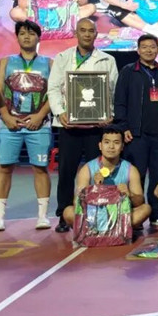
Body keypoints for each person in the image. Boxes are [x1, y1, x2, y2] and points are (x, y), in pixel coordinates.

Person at [47, 18, 119, 233]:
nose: (87, 34)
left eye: (91, 31)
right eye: (83, 30)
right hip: (69, 127)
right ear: (76, 33)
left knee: (100, 171)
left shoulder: (107, 60)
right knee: (66, 172)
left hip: (96, 129)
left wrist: (109, 115)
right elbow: (53, 88)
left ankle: (98, 212)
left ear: (96, 34)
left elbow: (113, 92)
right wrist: (60, 112)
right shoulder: (62, 58)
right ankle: (64, 214)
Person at [0, 20, 53, 231]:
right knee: (4, 168)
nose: (27, 37)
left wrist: (40, 116)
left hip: (40, 124)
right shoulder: (5, 62)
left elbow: (55, 92)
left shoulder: (49, 63)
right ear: (17, 37)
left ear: (39, 38)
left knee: (40, 168)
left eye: (31, 33)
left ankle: (42, 216)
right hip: (9, 124)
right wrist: (6, 116)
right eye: (22, 33)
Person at [113, 34, 158, 226]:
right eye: (145, 47)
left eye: (152, 47)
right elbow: (119, 101)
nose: (149, 50)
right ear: (138, 50)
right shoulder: (128, 71)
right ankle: (135, 216)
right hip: (136, 134)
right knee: (136, 176)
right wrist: (123, 126)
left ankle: (157, 213)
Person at [62, 128, 151, 233]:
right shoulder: (87, 169)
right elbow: (77, 202)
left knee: (146, 209)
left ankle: (105, 231)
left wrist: (129, 194)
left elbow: (140, 202)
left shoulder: (131, 170)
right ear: (100, 146)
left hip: (120, 216)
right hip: (93, 217)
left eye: (116, 143)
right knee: (68, 212)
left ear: (122, 147)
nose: (111, 147)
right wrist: (94, 189)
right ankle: (111, 231)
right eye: (107, 142)